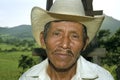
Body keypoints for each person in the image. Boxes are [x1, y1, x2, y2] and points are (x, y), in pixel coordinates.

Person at [19, 0, 114, 80]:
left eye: (74, 36)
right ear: (43, 40)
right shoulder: (27, 78)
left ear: (84, 43)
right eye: (57, 34)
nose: (65, 44)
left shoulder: (103, 77)